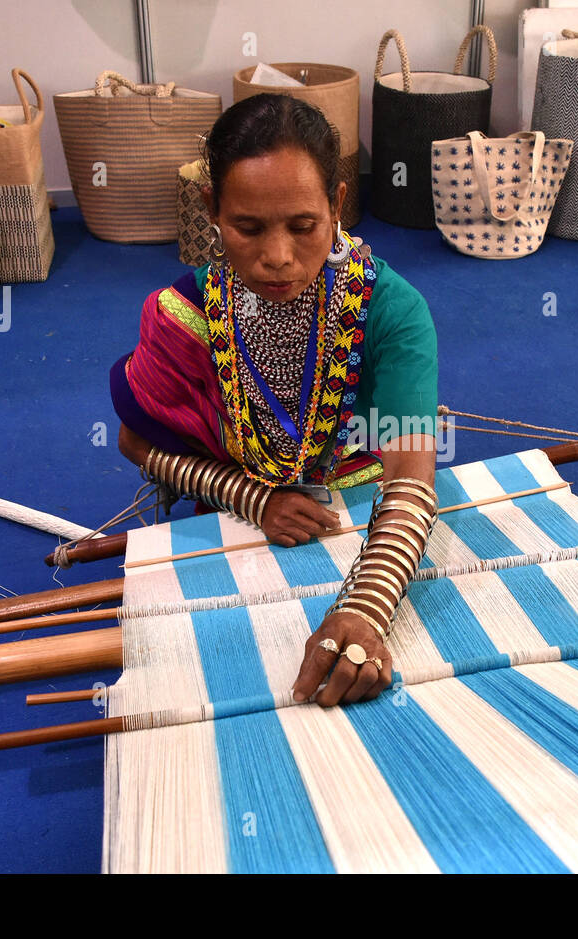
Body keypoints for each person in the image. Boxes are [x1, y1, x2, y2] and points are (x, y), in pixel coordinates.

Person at [111, 94, 438, 709]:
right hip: (231, 510)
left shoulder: (391, 311)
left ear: (336, 205)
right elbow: (134, 441)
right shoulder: (184, 316)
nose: (278, 256)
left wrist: (364, 612)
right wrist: (253, 498)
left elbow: (411, 478)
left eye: (303, 225)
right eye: (248, 227)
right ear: (211, 210)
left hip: (355, 516)